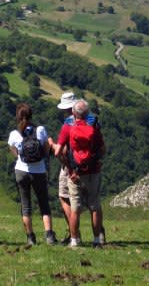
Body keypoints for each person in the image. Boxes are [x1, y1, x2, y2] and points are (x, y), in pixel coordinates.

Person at [54, 98, 106, 248]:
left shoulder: (68, 127)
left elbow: (58, 152)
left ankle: (75, 241)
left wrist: (69, 169)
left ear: (73, 112)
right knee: (94, 207)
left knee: (75, 208)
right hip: (93, 172)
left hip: (75, 174)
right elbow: (103, 149)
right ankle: (97, 241)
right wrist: (96, 160)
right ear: (88, 112)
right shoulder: (94, 125)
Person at [7, 102, 57, 245]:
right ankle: (49, 235)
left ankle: (30, 237)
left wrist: (20, 158)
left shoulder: (14, 134)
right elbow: (47, 149)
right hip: (39, 170)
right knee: (43, 203)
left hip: (21, 171)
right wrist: (41, 158)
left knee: (25, 205)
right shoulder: (40, 130)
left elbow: (14, 152)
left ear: (17, 117)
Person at [48, 91, 77, 244]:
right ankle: (99, 235)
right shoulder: (90, 120)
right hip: (89, 167)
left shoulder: (67, 125)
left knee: (64, 198)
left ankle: (74, 234)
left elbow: (60, 151)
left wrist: (51, 144)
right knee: (93, 203)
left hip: (69, 167)